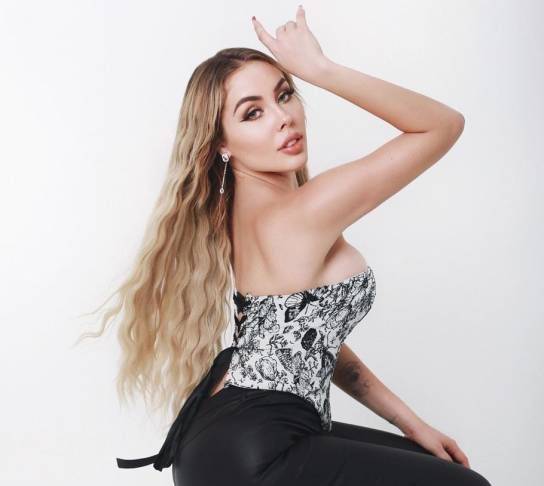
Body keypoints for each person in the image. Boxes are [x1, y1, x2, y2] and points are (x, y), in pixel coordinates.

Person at [80, 5, 492, 486]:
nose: (284, 119)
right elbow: (442, 125)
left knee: (440, 471)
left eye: (285, 94)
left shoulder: (242, 215)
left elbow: (306, 336)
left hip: (222, 443)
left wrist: (411, 423)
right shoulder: (307, 211)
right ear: (221, 143)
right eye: (252, 113)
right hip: (255, 446)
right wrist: (321, 69)